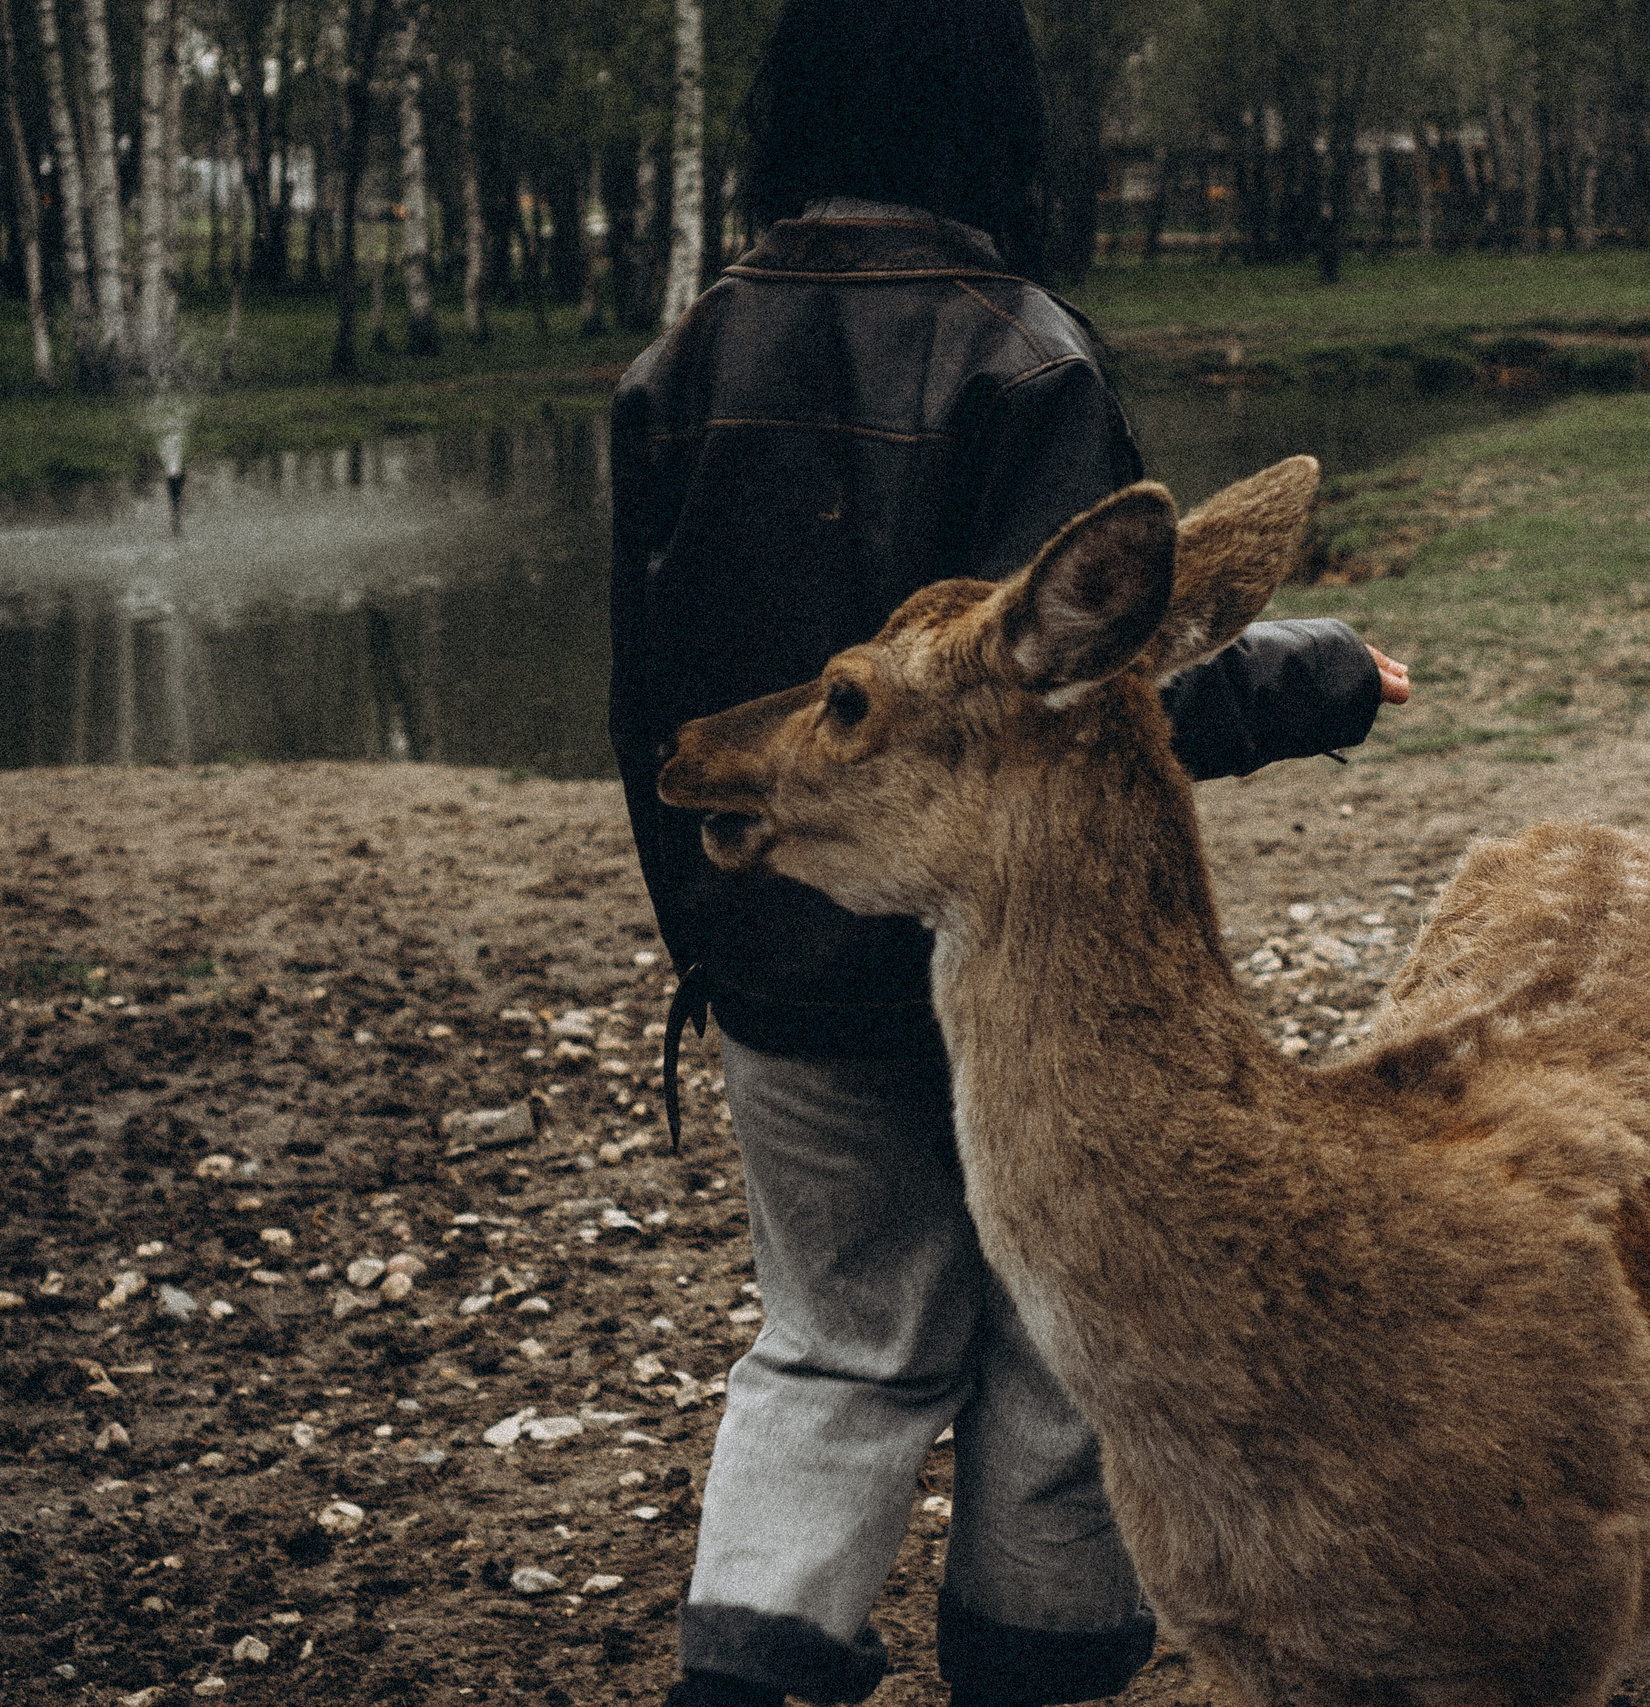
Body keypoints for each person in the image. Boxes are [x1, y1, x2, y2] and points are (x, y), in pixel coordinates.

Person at [605, 4, 1408, 1705]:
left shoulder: (683, 358)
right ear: (993, 106)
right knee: (1061, 1359)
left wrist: (721, 937)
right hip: (1008, 986)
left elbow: (648, 710)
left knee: (833, 1349)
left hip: (780, 980)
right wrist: (1319, 680)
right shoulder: (1023, 358)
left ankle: (745, 1679)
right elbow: (1080, 698)